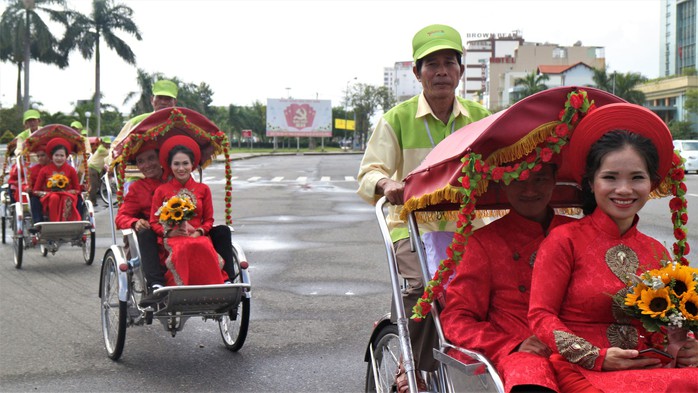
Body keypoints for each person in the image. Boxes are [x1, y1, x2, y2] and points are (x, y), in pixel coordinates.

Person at [528, 103, 698, 392]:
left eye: (636, 178)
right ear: (591, 184)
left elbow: (669, 324)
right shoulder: (563, 241)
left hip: (651, 365)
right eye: (610, 177)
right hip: (583, 369)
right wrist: (596, 356)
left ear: (651, 184)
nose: (624, 190)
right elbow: (541, 316)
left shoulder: (657, 251)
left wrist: (686, 347)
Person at [357, 23, 491, 386]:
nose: (442, 71)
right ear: (417, 73)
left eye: (450, 62)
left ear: (461, 71)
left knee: (499, 283)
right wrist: (387, 183)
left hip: (469, 227)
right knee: (424, 288)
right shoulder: (396, 119)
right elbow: (368, 173)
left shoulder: (481, 118)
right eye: (431, 64)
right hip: (412, 226)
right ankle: (410, 366)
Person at [148, 135, 230, 288]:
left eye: (185, 163)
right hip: (173, 238)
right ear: (169, 166)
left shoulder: (203, 189)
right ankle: (180, 286)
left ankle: (214, 285)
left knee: (202, 245)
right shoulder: (161, 191)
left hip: (199, 236)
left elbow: (208, 220)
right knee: (183, 247)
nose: (181, 168)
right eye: (176, 164)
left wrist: (199, 232)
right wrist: (169, 233)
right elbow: (154, 221)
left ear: (192, 165)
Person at [110, 79, 178, 152]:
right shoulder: (136, 122)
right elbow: (115, 147)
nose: (163, 102)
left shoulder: (183, 122)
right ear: (152, 100)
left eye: (168, 99)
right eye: (159, 98)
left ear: (175, 102)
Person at [31, 138, 80, 222]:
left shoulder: (71, 170)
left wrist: (66, 192)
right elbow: (36, 190)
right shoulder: (44, 170)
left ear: (66, 157)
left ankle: (66, 221)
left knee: (65, 197)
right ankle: (53, 222)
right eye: (56, 155)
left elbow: (77, 189)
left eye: (62, 156)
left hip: (67, 195)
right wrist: (49, 193)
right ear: (51, 156)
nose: (59, 158)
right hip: (49, 196)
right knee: (54, 197)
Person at [87, 136, 111, 205]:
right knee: (94, 185)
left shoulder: (104, 149)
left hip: (97, 169)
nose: (108, 145)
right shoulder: (102, 149)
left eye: (109, 144)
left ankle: (91, 200)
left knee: (97, 185)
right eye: (107, 143)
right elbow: (110, 153)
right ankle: (92, 202)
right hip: (93, 168)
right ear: (103, 143)